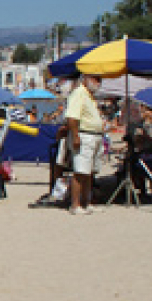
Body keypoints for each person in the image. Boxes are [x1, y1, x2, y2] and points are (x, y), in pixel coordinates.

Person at [64, 74, 104, 215]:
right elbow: (72, 117)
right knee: (80, 171)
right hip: (84, 134)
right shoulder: (79, 93)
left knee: (89, 172)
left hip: (94, 136)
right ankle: (75, 204)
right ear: (86, 78)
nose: (98, 82)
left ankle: (87, 202)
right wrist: (75, 136)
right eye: (95, 79)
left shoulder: (89, 96)